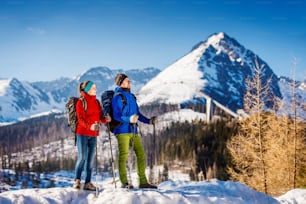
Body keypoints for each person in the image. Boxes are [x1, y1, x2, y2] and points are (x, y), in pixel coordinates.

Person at [111, 73, 157, 189]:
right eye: (127, 81)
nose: (129, 82)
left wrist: (149, 121)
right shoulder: (117, 97)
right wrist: (129, 119)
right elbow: (116, 116)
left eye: (129, 80)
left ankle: (143, 182)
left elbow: (138, 115)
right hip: (122, 131)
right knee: (124, 156)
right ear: (120, 83)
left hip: (134, 131)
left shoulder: (131, 97)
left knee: (141, 155)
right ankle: (124, 182)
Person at [73, 80, 111, 191]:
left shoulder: (97, 102)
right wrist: (90, 126)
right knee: (82, 158)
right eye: (93, 88)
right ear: (87, 89)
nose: (96, 89)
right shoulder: (81, 102)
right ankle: (77, 180)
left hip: (93, 135)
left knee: (89, 161)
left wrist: (105, 119)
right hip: (82, 134)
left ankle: (88, 183)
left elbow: (100, 117)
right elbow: (80, 119)